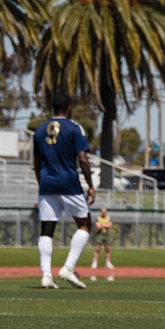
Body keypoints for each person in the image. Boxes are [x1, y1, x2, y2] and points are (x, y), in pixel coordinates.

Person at [33, 92, 95, 289]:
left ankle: (45, 274)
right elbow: (83, 159)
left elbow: (36, 162)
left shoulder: (40, 130)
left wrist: (41, 182)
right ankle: (68, 268)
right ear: (69, 108)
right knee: (85, 224)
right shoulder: (75, 127)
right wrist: (91, 185)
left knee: (47, 228)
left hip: (47, 184)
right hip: (68, 182)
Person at [91, 207, 114, 271]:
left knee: (107, 249)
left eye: (105, 212)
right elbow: (98, 226)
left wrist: (103, 225)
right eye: (102, 211)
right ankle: (94, 262)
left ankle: (108, 263)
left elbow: (110, 225)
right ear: (101, 212)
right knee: (97, 249)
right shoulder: (98, 218)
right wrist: (105, 225)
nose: (104, 213)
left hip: (106, 235)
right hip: (100, 235)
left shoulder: (108, 218)